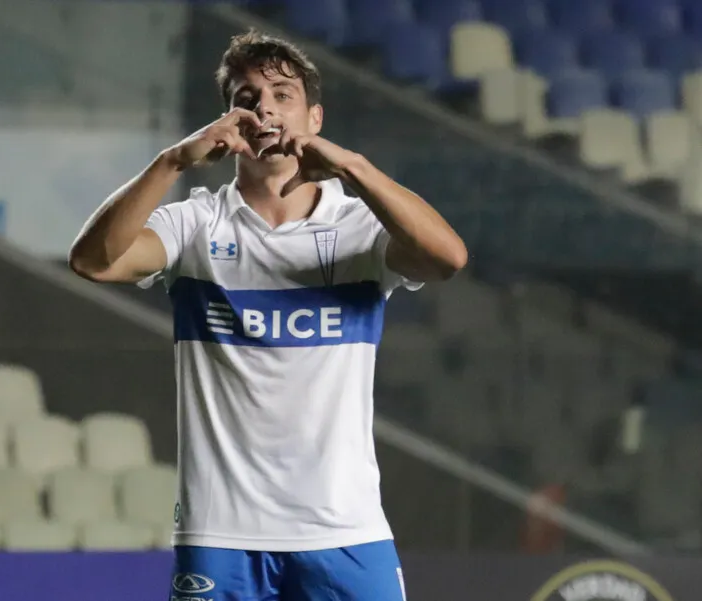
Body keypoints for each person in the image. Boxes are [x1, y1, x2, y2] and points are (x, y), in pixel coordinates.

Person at [69, 29, 467, 601]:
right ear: (229, 122)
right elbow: (93, 261)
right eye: (247, 97)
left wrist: (352, 166)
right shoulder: (194, 225)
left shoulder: (359, 228)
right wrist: (173, 160)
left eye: (283, 95)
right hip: (221, 535)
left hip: (344, 531)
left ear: (314, 118)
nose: (266, 109)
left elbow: (448, 258)